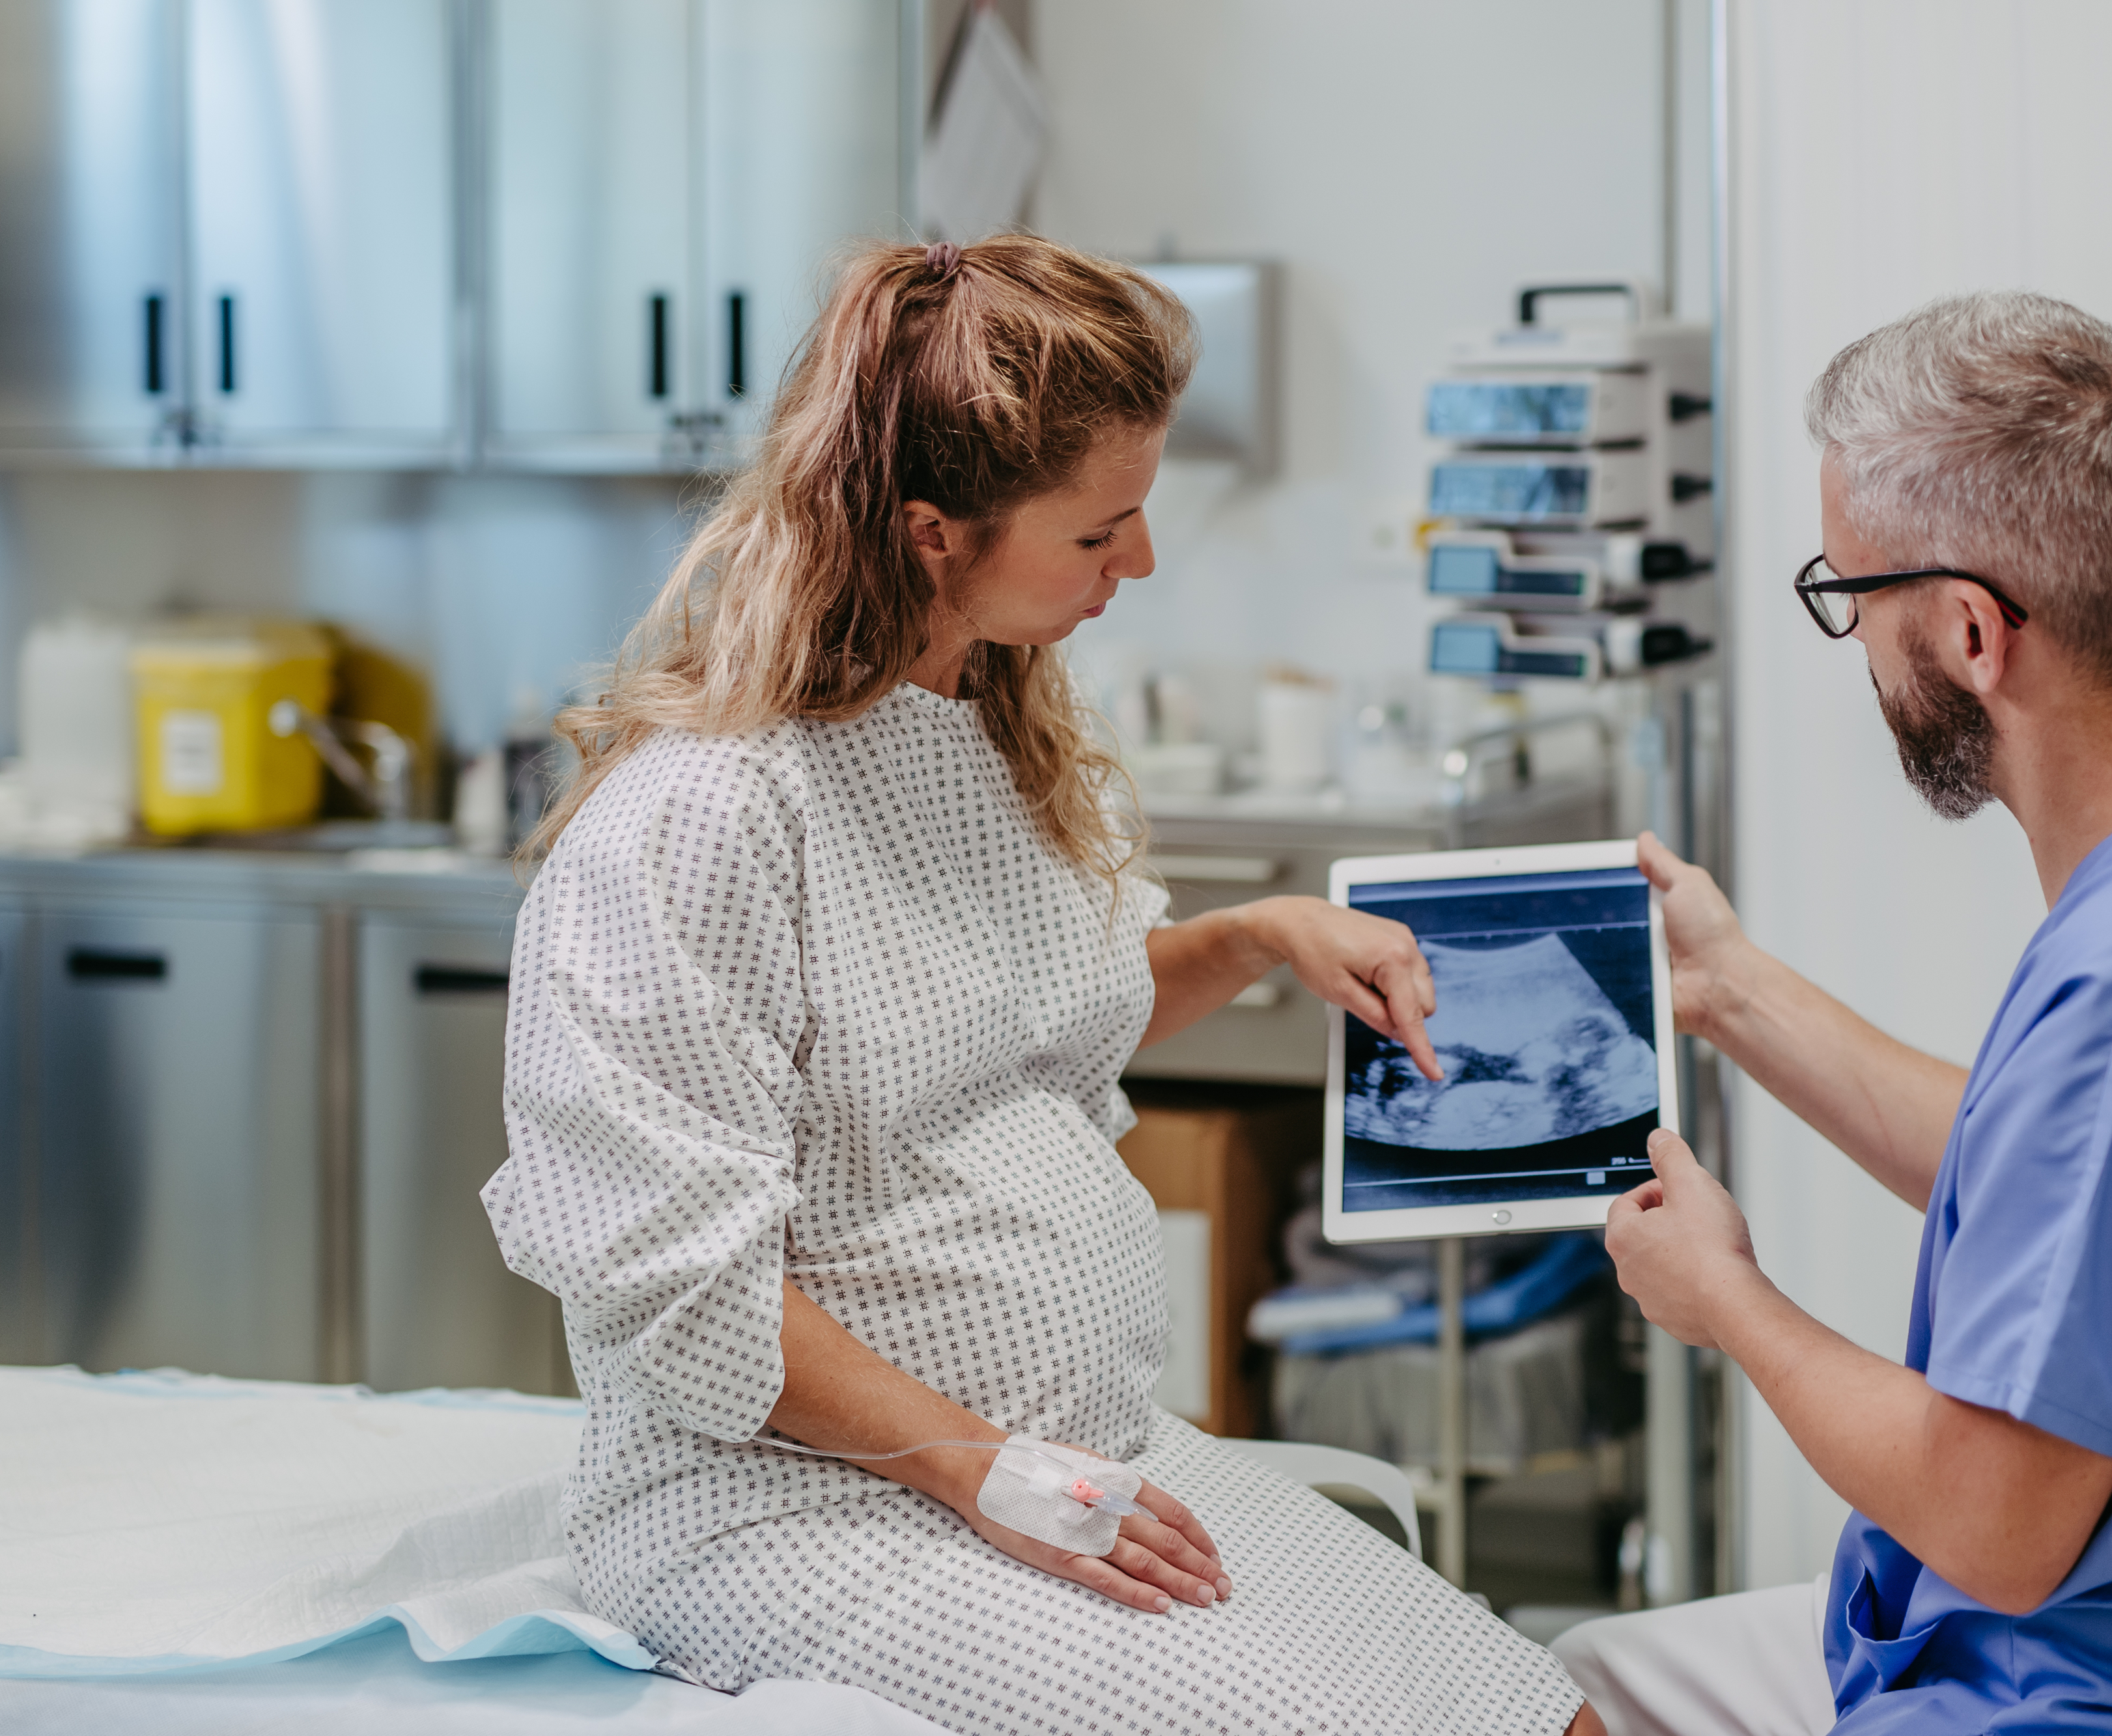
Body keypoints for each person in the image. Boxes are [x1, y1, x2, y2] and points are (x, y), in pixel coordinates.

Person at [481, 236, 1596, 1736]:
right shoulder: (702, 822)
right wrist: (976, 1468)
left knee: (1547, 1713)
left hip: (1066, 1452)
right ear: (930, 532)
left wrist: (1261, 934)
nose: (1135, 564)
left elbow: (1032, 1017)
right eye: (1099, 532)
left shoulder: (977, 737)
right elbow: (676, 1289)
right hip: (795, 1508)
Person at [1555, 292, 2112, 1736]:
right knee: (1592, 1666)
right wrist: (1726, 986)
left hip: (2079, 1694)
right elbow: (2056, 1187)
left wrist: (1728, 1301)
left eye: (1850, 599)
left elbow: (1993, 1526)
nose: (1853, 647)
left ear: (1971, 629)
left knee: (1539, 1696)